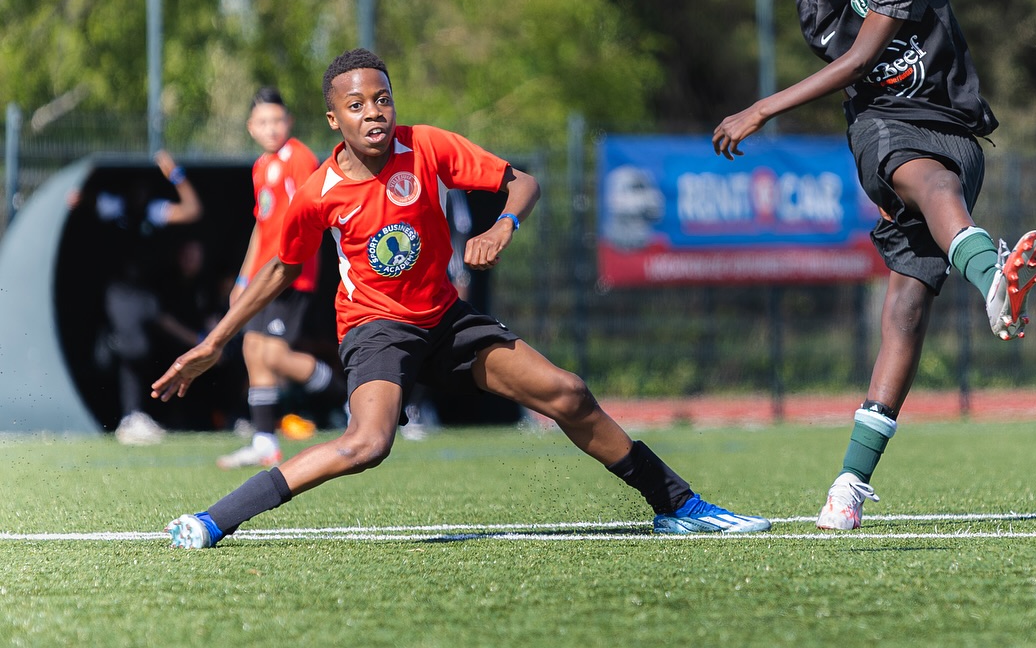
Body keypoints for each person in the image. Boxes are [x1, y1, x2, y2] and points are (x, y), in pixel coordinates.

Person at [154, 48, 770, 547]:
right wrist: (215, 342)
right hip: (376, 328)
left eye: (382, 98)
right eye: (356, 104)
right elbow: (279, 270)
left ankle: (679, 505)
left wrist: (502, 226)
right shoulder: (318, 192)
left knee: (568, 393)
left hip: (446, 317)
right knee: (368, 444)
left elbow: (520, 182)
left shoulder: (426, 146)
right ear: (333, 121)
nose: (375, 112)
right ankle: (214, 521)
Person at [712, 0, 1036, 530]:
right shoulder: (813, 2)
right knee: (930, 183)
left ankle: (848, 485)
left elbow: (867, 52)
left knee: (905, 309)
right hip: (883, 129)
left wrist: (761, 108)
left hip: (952, 126)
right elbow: (863, 76)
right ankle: (993, 278)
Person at [216, 87, 345, 470]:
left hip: (290, 273)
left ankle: (348, 398)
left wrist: (291, 264)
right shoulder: (261, 166)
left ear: (288, 122)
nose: (271, 128)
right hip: (263, 275)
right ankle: (264, 442)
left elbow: (310, 215)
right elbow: (262, 224)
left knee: (271, 353)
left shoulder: (300, 159)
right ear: (251, 128)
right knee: (253, 349)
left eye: (277, 120)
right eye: (263, 122)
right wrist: (243, 280)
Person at [78, 150, 205, 445]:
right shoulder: (113, 206)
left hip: (147, 295)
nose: (139, 193)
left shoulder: (154, 211)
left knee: (154, 347)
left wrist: (176, 174)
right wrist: (78, 196)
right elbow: (80, 200)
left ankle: (146, 415)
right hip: (120, 293)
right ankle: (129, 417)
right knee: (133, 349)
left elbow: (192, 210)